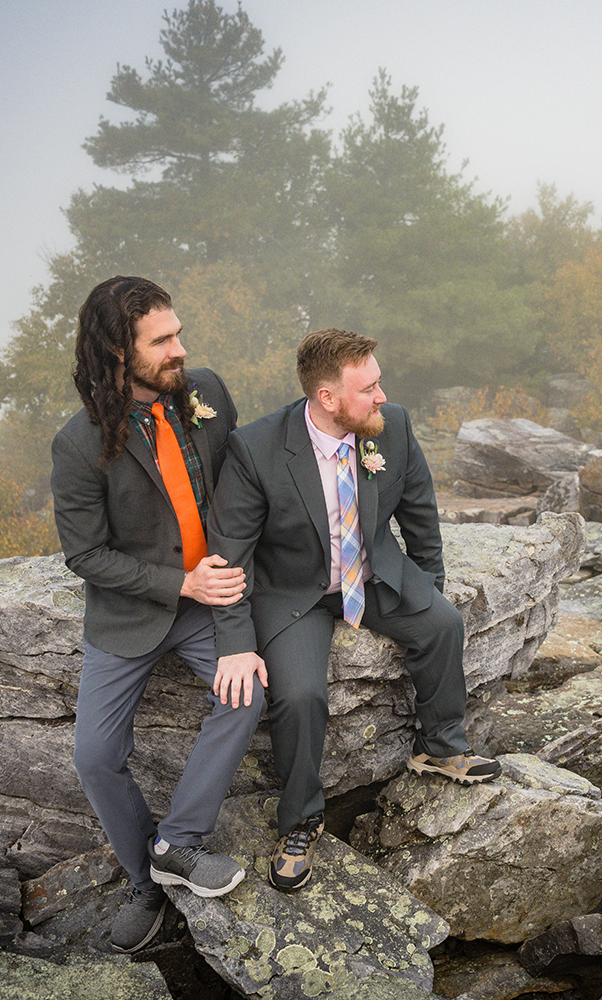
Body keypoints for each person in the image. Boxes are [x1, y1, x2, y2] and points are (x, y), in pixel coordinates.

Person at [211, 328, 499, 894]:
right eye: (368, 388)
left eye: (379, 381)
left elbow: (420, 512)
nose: (382, 396)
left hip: (371, 573)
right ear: (327, 398)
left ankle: (439, 746)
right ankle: (300, 822)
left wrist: (429, 587)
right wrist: (235, 642)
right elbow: (230, 557)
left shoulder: (391, 427)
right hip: (294, 593)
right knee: (299, 695)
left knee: (443, 624)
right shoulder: (256, 448)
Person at [51, 275, 267, 953]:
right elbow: (86, 555)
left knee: (247, 692)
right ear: (119, 352)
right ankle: (147, 883)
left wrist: (228, 604)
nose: (181, 349)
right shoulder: (79, 443)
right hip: (133, 610)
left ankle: (178, 843)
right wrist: (180, 584)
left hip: (216, 597)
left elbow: (241, 501)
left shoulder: (206, 393)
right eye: (163, 341)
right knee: (94, 756)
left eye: (178, 333)